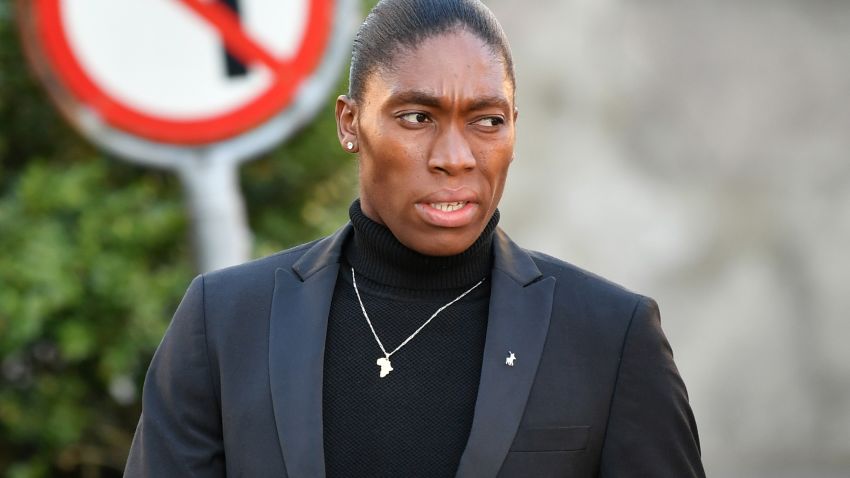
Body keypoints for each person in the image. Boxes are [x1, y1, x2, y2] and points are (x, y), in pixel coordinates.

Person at [124, 0, 705, 476]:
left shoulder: (609, 335)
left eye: (486, 120)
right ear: (350, 122)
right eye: (417, 117)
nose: (455, 159)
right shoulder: (225, 322)